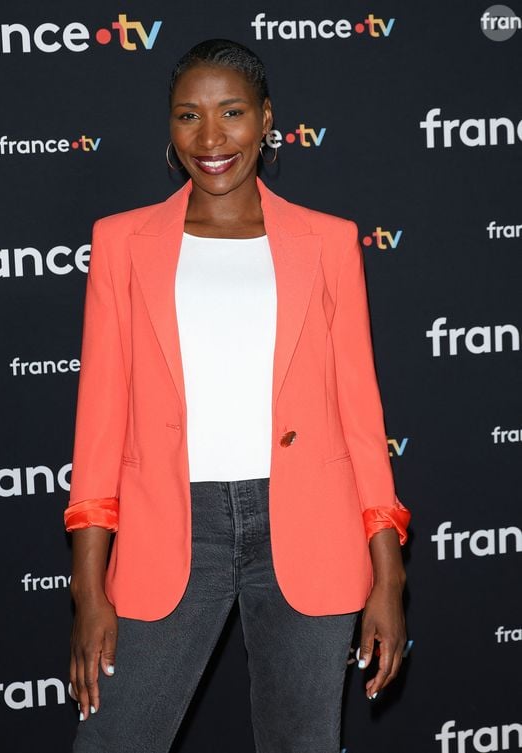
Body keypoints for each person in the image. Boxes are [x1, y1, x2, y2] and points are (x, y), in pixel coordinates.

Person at [63, 38, 411, 753]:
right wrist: (90, 588)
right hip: (171, 528)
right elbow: (99, 425)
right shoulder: (122, 243)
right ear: (169, 125)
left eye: (232, 113)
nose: (211, 137)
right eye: (189, 115)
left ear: (266, 118)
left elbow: (359, 414)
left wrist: (388, 572)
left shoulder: (330, 242)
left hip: (310, 529)